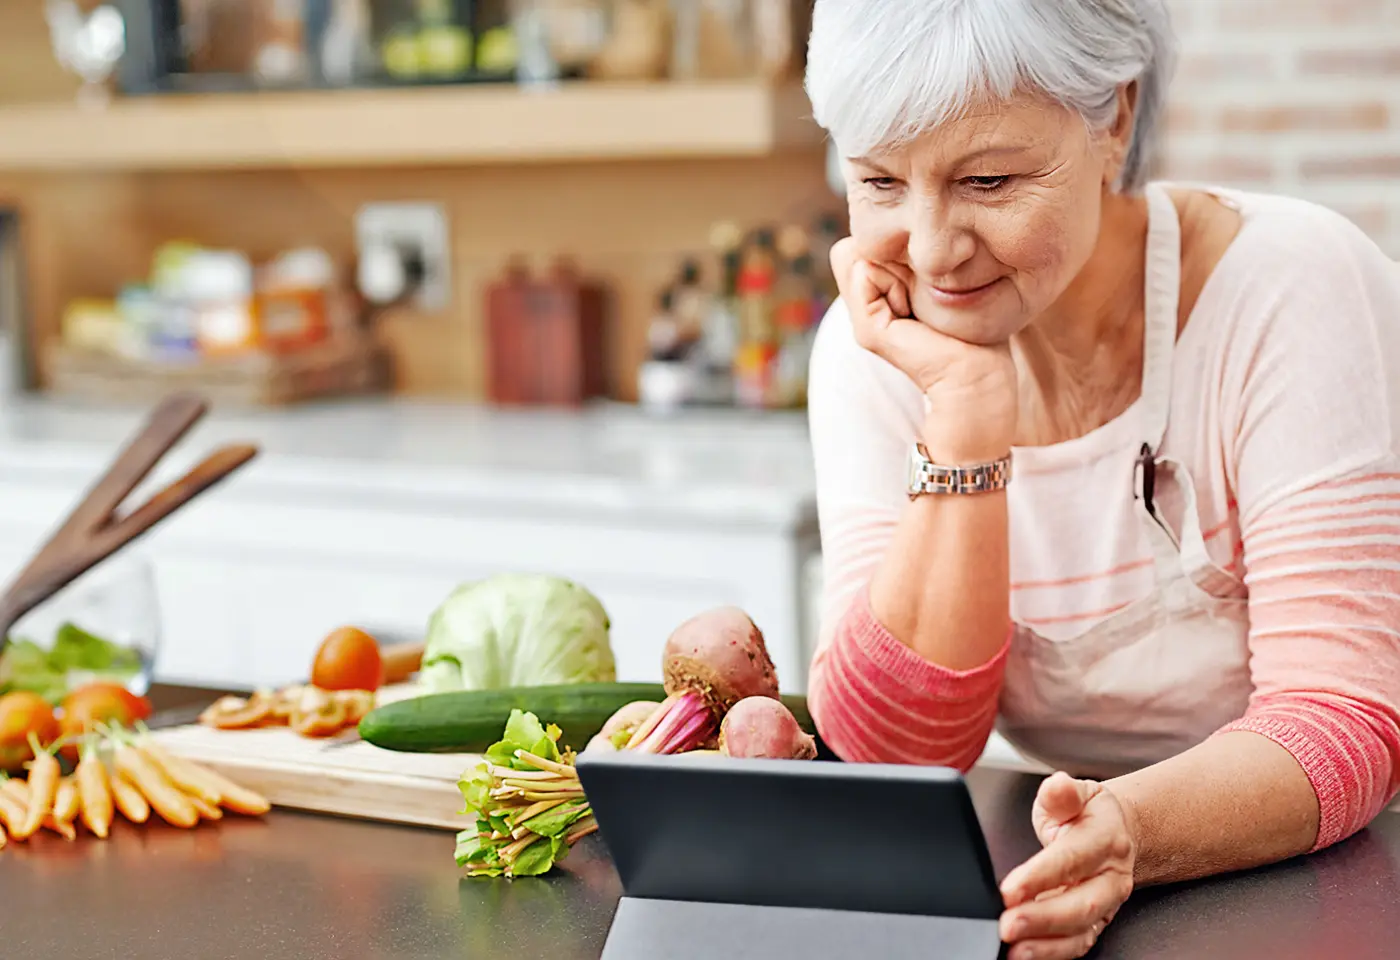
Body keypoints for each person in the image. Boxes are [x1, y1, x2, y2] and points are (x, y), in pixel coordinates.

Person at [801, 1, 1400, 958]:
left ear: (1112, 117)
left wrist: (1130, 832)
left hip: (1315, 883)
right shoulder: (875, 350)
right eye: (878, 181)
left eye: (987, 179)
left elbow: (1344, 720)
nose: (931, 250)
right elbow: (897, 761)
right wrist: (964, 419)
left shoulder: (1293, 286)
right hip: (1051, 871)